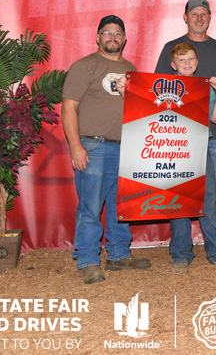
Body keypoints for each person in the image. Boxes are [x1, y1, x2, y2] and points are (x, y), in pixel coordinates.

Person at [61, 15, 151, 284]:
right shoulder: (84, 66)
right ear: (98, 38)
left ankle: (119, 254)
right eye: (107, 33)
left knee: (120, 205)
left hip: (125, 146)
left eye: (118, 33)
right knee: (90, 206)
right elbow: (68, 107)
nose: (113, 37)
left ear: (124, 39)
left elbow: (138, 109)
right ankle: (87, 259)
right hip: (94, 145)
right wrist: (76, 147)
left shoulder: (130, 69)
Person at [154, 0, 216, 264]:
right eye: (194, 13)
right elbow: (154, 93)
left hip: (210, 139)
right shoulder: (171, 48)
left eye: (204, 13)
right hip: (176, 145)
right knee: (179, 194)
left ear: (210, 17)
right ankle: (181, 252)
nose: (199, 18)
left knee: (215, 194)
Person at [126, 43, 216, 272]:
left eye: (190, 59)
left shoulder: (204, 87)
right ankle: (181, 253)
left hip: (199, 147)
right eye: (182, 60)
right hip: (173, 151)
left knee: (208, 199)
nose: (187, 63)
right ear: (173, 64)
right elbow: (143, 111)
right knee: (178, 202)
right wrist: (127, 90)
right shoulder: (157, 88)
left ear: (197, 61)